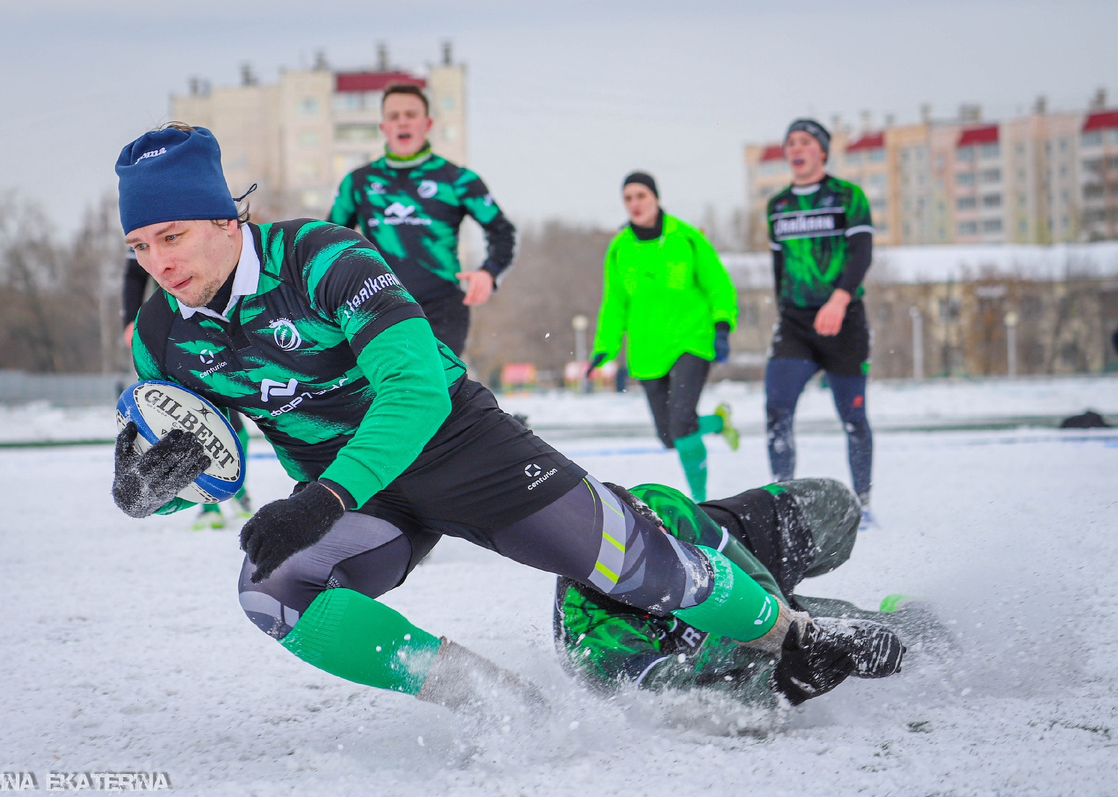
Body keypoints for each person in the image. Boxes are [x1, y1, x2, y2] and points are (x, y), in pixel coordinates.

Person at [110, 124, 903, 718]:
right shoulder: (161, 334)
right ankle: (501, 703)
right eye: (140, 245)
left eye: (173, 235)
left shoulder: (324, 257)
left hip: (461, 448)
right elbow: (205, 459)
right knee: (271, 592)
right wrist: (152, 489)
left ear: (225, 219)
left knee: (638, 565)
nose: (160, 261)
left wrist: (324, 497)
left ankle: (790, 633)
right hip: (365, 502)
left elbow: (415, 394)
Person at [556, 478, 931, 706]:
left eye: (659, 545)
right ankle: (904, 620)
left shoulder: (658, 505)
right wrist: (790, 682)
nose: (663, 563)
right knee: (908, 641)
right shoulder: (596, 642)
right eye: (649, 566)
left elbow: (752, 580)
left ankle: (802, 614)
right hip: (712, 643)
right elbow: (687, 703)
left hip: (739, 560)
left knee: (839, 505)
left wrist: (793, 630)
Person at [327, 83, 515, 358]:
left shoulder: (457, 180)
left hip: (442, 308)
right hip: (376, 303)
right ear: (383, 127)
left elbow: (503, 232)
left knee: (435, 388)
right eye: (393, 116)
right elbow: (329, 243)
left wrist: (489, 272)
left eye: (410, 114)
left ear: (427, 124)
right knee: (387, 389)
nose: (402, 121)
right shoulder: (359, 183)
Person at [589, 172, 740, 503]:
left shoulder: (685, 237)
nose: (635, 204)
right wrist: (605, 347)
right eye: (628, 198)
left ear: (655, 198)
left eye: (641, 195)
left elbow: (718, 283)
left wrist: (722, 325)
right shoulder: (619, 249)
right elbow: (614, 303)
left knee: (683, 420)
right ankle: (717, 422)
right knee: (669, 435)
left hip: (691, 339)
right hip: (647, 349)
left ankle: (700, 501)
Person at [765, 119, 875, 523]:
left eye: (806, 141)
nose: (797, 147)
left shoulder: (848, 196)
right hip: (795, 325)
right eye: (790, 141)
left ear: (822, 151)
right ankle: (783, 502)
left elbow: (861, 254)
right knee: (777, 411)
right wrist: (784, 311)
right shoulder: (778, 205)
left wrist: (839, 299)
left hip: (844, 321)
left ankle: (862, 503)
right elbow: (779, 266)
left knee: (853, 417)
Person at [121, 248, 253, 529]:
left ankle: (238, 493)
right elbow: (134, 272)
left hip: (219, 318)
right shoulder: (142, 227)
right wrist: (130, 320)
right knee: (186, 417)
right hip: (174, 330)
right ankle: (208, 503)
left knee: (230, 414)